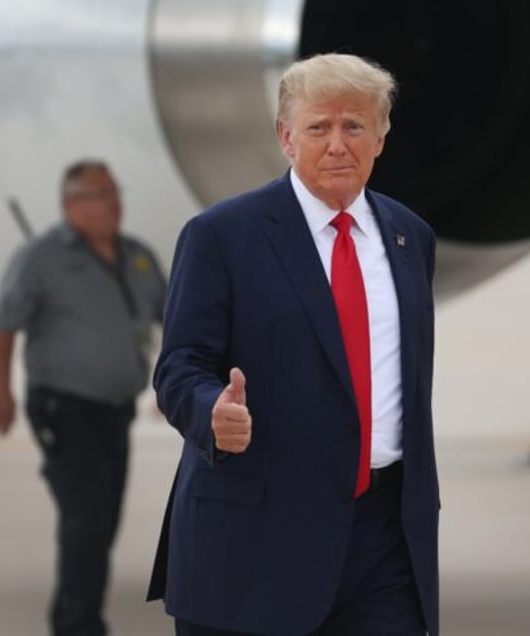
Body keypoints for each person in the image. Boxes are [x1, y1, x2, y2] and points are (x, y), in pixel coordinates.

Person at [148, 53, 440, 635]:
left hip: (384, 542)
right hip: (257, 541)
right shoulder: (221, 237)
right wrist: (211, 412)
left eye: (354, 126)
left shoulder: (411, 238)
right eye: (318, 127)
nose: (338, 144)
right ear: (285, 136)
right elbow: (180, 365)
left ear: (380, 138)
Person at [0, 159, 167, 636]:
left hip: (114, 412)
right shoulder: (41, 258)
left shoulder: (137, 256)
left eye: (114, 191)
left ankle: (78, 616)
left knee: (103, 519)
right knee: (85, 520)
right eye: (100, 194)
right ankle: (77, 625)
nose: (113, 203)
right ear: (71, 205)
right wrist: (1, 391)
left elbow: (175, 317)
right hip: (64, 408)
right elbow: (3, 327)